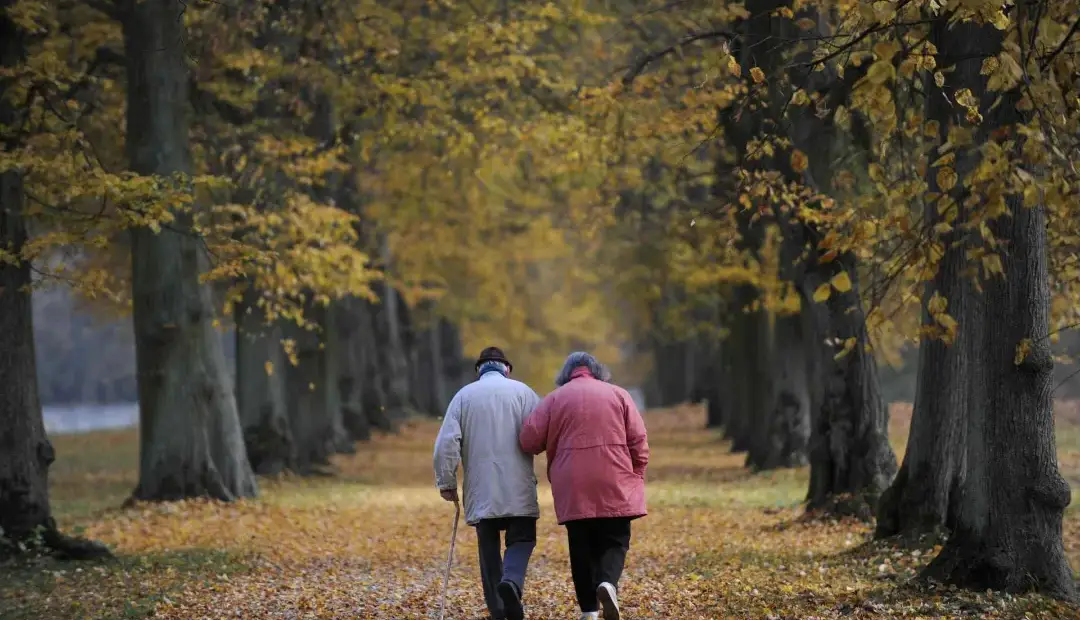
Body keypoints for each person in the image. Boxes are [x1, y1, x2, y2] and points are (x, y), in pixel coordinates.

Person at [519, 352, 649, 620]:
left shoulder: (554, 400)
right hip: (614, 476)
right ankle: (607, 582)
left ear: (566, 375)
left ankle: (589, 610)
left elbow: (529, 440)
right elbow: (638, 440)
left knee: (580, 546)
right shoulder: (619, 394)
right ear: (596, 371)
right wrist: (636, 472)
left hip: (572, 482)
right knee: (616, 538)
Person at [433, 346, 542, 620]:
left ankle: (498, 609)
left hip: (481, 489)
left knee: (489, 549)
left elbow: (446, 443)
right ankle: (512, 583)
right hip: (518, 485)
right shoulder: (524, 393)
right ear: (507, 368)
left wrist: (446, 481)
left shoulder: (463, 397)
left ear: (479, 370)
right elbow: (542, 433)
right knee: (523, 538)